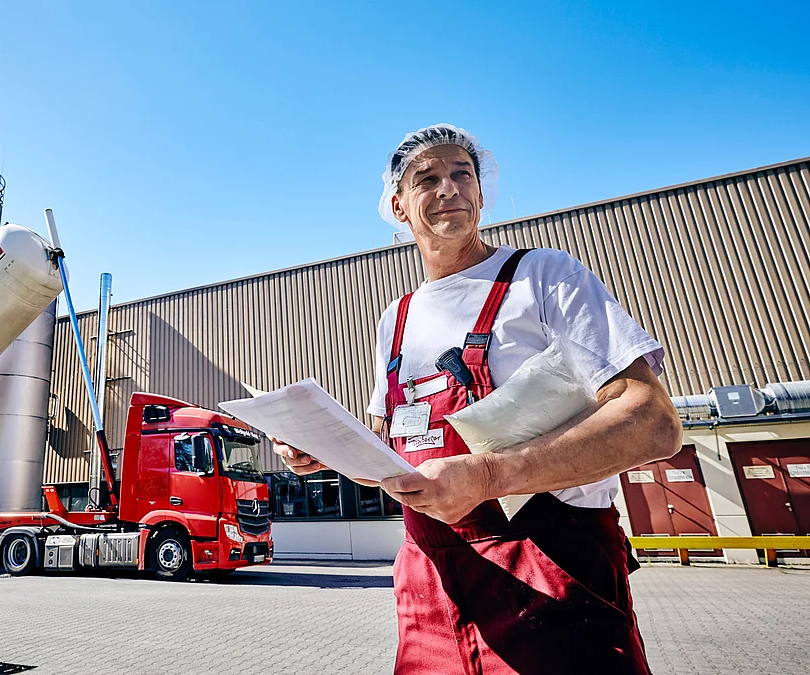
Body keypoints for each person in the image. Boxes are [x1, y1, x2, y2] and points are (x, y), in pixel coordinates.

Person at [273, 123, 681, 674]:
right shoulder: (395, 319)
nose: (449, 188)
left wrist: (487, 476)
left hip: (549, 570)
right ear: (398, 207)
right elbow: (390, 457)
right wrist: (329, 452)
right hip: (429, 582)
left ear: (481, 196)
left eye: (462, 174)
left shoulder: (542, 278)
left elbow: (653, 421)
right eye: (428, 178)